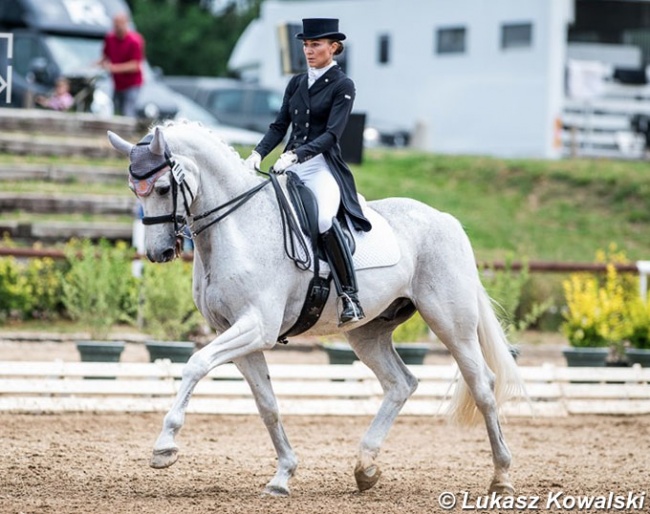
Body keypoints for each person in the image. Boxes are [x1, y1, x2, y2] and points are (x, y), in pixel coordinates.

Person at [244, 18, 371, 327]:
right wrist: (257, 153)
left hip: (320, 166)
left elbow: (332, 135)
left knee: (325, 219)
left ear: (333, 47)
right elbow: (279, 126)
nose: (309, 50)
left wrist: (296, 155)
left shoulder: (343, 85)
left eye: (315, 45)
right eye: (305, 45)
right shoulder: (297, 83)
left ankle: (349, 296)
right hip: (287, 166)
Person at [99, 12, 144, 117]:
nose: (117, 27)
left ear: (126, 23)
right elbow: (105, 57)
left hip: (132, 83)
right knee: (116, 111)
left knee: (128, 111)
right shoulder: (110, 39)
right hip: (117, 83)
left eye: (119, 24)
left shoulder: (135, 41)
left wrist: (114, 68)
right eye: (115, 24)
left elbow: (135, 65)